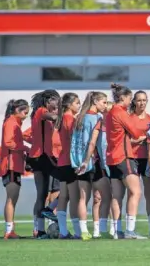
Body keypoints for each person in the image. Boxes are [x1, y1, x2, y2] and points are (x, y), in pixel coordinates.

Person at [106, 83, 147, 239]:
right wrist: (142, 135)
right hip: (123, 156)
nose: (131, 102)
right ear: (122, 97)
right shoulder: (120, 112)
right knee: (136, 192)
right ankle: (130, 230)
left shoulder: (110, 113)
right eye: (130, 98)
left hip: (112, 158)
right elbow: (136, 131)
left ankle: (117, 231)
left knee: (117, 195)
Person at [72, 91, 112, 239]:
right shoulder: (96, 118)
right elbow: (92, 143)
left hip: (79, 163)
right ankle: (101, 229)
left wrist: (79, 161)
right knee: (106, 196)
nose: (105, 105)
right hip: (92, 163)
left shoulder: (79, 118)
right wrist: (87, 161)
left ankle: (83, 231)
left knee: (84, 198)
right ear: (95, 102)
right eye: (104, 102)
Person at [28, 89, 60, 238]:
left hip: (43, 157)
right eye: (56, 100)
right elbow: (53, 117)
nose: (58, 103)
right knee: (70, 183)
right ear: (48, 100)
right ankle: (40, 225)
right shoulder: (41, 111)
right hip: (41, 157)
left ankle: (40, 228)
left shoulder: (39, 113)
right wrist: (65, 113)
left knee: (43, 193)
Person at [54, 93, 85, 239]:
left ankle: (63, 231)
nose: (79, 106)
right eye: (77, 103)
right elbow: (75, 140)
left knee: (64, 197)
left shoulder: (63, 118)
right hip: (70, 162)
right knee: (74, 197)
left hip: (62, 162)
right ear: (69, 104)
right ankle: (78, 232)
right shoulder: (69, 119)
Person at [129, 90, 150, 237]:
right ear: (134, 101)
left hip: (147, 159)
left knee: (149, 194)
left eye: (144, 100)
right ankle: (129, 228)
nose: (141, 103)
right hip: (132, 158)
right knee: (133, 194)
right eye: (139, 100)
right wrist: (136, 140)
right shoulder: (128, 118)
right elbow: (120, 138)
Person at [0, 99, 30, 239]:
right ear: (18, 110)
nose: (26, 115)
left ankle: (10, 229)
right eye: (25, 112)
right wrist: (25, 148)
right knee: (11, 198)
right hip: (10, 165)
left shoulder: (15, 123)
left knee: (14, 198)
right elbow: (8, 142)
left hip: (15, 164)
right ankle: (8, 230)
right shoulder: (11, 123)